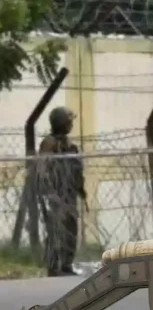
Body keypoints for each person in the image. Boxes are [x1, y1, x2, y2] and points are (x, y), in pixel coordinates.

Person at [37, 106, 87, 277]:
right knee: (56, 230)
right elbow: (43, 170)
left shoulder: (70, 145)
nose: (70, 124)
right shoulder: (49, 143)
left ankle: (66, 264)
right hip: (55, 194)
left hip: (69, 193)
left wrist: (81, 189)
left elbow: (76, 169)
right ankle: (53, 266)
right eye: (68, 121)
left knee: (71, 229)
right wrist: (48, 191)